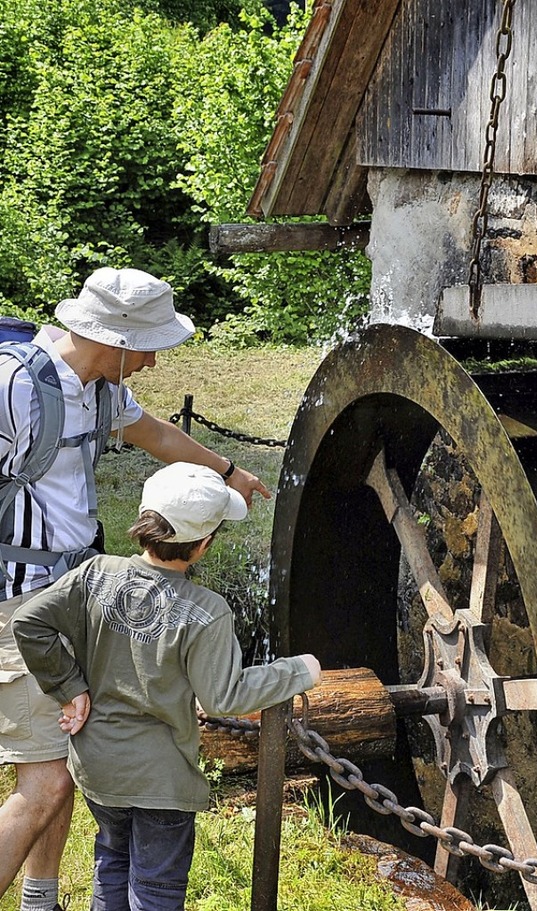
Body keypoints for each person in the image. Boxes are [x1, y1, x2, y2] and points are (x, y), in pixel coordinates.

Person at [0, 267, 270, 909]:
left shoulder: (95, 390)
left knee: (61, 768)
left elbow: (156, 436)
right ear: (115, 338)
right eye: (148, 345)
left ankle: (41, 899)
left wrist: (227, 470)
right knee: (42, 786)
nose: (153, 360)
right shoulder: (14, 387)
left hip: (74, 598)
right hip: (20, 605)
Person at [11, 461, 321, 910]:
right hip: (162, 783)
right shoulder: (208, 611)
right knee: (155, 890)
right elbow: (223, 696)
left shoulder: (94, 574)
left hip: (98, 769)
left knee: (112, 862)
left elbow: (29, 621)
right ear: (202, 546)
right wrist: (298, 671)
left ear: (143, 520)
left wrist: (69, 685)